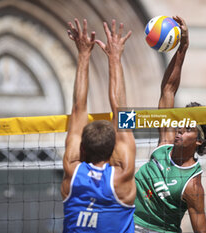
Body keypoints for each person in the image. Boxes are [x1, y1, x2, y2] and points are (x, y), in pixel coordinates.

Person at [133, 16, 206, 233]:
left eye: (188, 128)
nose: (180, 128)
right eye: (182, 123)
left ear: (200, 140)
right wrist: (182, 47)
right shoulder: (165, 144)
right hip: (127, 224)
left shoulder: (192, 185)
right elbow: (168, 90)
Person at [61, 18, 136, 233]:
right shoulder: (122, 176)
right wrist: (115, 58)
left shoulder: (72, 171)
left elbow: (78, 109)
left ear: (82, 149)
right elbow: (121, 109)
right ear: (113, 150)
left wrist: (84, 55)